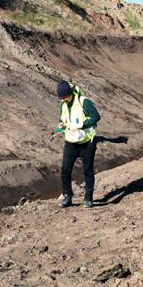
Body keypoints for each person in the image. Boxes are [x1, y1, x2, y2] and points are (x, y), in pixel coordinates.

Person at [56, 80, 100, 208]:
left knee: (87, 170)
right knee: (65, 170)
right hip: (71, 141)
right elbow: (62, 119)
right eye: (61, 97)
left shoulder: (83, 102)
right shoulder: (63, 104)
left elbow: (96, 116)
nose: (63, 99)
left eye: (65, 96)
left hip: (87, 141)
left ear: (70, 93)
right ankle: (67, 196)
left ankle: (88, 199)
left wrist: (82, 125)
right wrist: (61, 126)